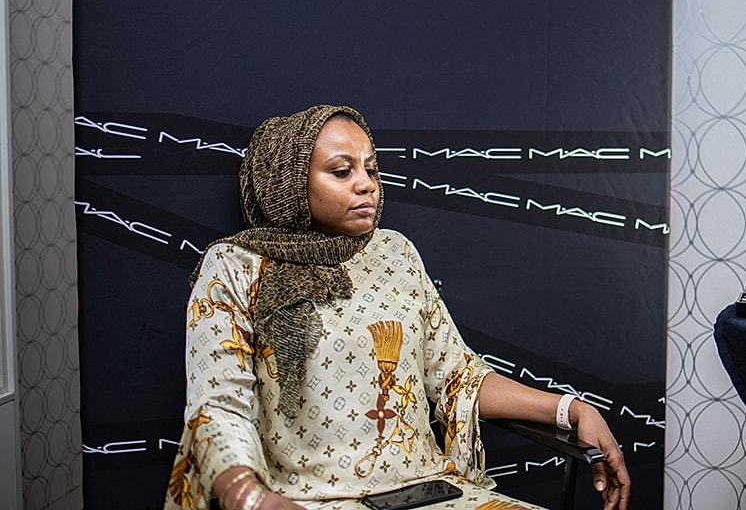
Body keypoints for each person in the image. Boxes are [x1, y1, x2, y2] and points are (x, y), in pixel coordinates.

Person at [164, 105, 631, 510]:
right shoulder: (235, 266)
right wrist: (252, 497)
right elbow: (217, 408)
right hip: (305, 498)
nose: (367, 185)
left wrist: (571, 410)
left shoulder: (394, 253)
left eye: (371, 167)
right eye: (342, 171)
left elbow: (456, 375)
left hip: (426, 490)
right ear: (288, 183)